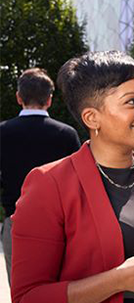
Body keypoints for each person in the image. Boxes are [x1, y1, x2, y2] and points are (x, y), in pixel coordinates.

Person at [11, 51, 134, 303]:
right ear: (92, 117)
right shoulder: (49, 185)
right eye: (132, 102)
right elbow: (28, 297)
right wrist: (119, 280)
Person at [0, 68, 81, 285]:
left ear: (19, 97)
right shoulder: (66, 134)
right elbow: (80, 179)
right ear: (49, 100)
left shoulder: (3, 132)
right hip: (62, 225)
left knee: (22, 291)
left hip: (16, 220)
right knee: (61, 290)